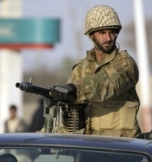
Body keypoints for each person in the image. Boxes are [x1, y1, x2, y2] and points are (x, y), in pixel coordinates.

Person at [51, 5, 141, 137]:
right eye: (102, 33)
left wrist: (75, 89)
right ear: (91, 35)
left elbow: (109, 84)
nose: (109, 38)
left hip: (124, 147)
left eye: (112, 32)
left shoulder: (125, 63)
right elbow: (71, 116)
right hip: (90, 147)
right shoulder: (80, 68)